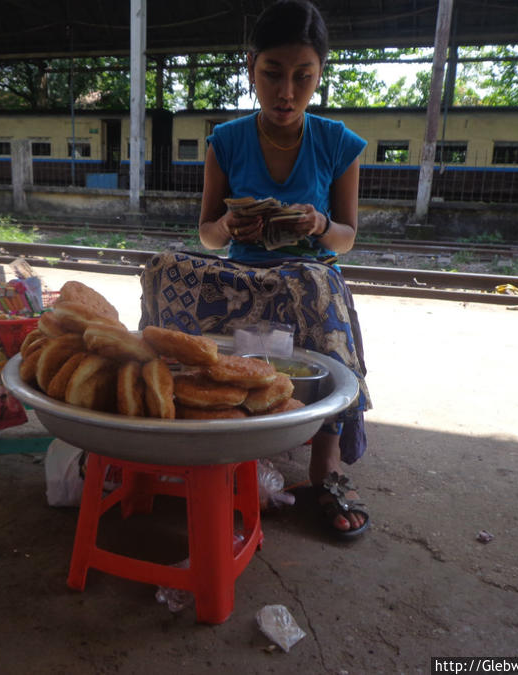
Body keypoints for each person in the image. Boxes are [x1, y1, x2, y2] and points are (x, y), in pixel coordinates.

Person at [139, 0, 371, 539]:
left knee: (319, 288)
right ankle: (181, 421)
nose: (287, 91)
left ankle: (325, 468)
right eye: (272, 74)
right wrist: (228, 227)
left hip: (305, 278)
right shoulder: (227, 140)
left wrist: (316, 225)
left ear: (319, 76)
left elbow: (348, 238)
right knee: (163, 269)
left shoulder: (338, 143)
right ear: (251, 67)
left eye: (302, 77)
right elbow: (206, 234)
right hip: (242, 276)